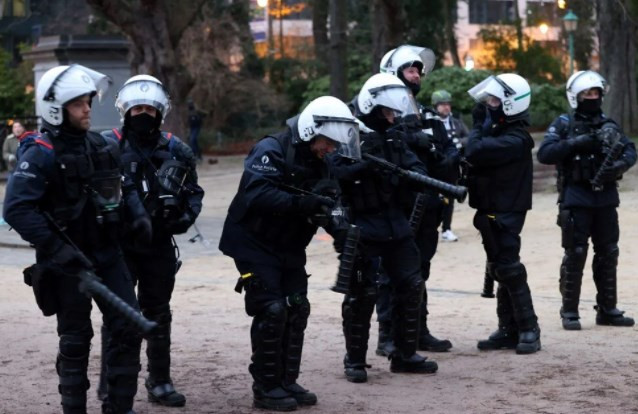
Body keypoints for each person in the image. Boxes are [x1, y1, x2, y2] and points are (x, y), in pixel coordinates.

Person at [3, 64, 149, 414]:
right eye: (79, 103)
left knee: (128, 327)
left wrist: (138, 214)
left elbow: (122, 186)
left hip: (108, 255)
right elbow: (17, 210)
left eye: (88, 101)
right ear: (56, 108)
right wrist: (56, 250)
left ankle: (119, 406)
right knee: (75, 339)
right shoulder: (39, 152)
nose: (87, 108)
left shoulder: (100, 144)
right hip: (66, 263)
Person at [219, 96, 361, 411]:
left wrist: (345, 237)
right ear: (311, 130)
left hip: (290, 245)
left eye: (336, 145)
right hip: (252, 242)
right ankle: (266, 387)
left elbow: (332, 205)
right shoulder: (271, 149)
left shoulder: (324, 162)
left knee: (297, 307)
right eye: (328, 142)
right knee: (271, 309)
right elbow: (257, 193)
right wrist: (302, 204)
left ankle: (286, 380)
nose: (332, 149)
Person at [98, 75, 204, 407]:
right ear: (125, 110)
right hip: (119, 246)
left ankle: (160, 380)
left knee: (158, 312)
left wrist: (184, 218)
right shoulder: (106, 145)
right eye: (137, 108)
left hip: (158, 244)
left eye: (149, 108)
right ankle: (112, 381)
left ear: (159, 111)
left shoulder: (176, 148)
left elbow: (194, 193)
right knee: (120, 314)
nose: (143, 113)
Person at [330, 73, 439, 383]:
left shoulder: (394, 135)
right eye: (388, 111)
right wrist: (367, 165)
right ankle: (355, 361)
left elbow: (414, 164)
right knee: (361, 293)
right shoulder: (349, 133)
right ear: (373, 107)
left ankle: (404, 355)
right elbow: (334, 171)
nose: (393, 117)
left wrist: (409, 173)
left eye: (395, 111)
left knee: (411, 283)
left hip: (396, 223)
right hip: (363, 224)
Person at [537, 70, 636, 330]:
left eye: (595, 93)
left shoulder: (609, 124)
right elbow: (545, 153)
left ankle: (608, 309)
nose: (592, 97)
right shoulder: (563, 124)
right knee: (576, 254)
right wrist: (576, 143)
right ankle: (569, 311)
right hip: (576, 197)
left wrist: (620, 166)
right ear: (575, 97)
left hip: (605, 197)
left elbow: (630, 149)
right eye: (586, 94)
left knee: (608, 253)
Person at [375, 45, 455, 356]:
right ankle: (387, 335)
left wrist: (440, 154)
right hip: (394, 206)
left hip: (427, 205)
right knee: (389, 272)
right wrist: (412, 139)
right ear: (394, 72)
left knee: (420, 270)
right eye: (411, 69)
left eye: (419, 70)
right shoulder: (378, 113)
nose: (417, 75)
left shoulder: (429, 115)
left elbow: (449, 153)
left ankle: (416, 330)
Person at [465, 73, 541, 354]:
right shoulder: (498, 130)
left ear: (511, 104)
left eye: (495, 100)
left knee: (508, 266)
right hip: (491, 207)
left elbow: (474, 149)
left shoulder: (516, 138)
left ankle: (529, 328)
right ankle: (508, 328)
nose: (489, 104)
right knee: (499, 266)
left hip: (507, 209)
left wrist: (474, 126)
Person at [431, 89, 469, 242]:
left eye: (448, 104)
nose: (446, 108)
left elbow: (468, 137)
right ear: (435, 106)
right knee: (435, 199)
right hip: (435, 166)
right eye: (442, 105)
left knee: (450, 197)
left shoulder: (456, 122)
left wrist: (458, 143)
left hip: (452, 166)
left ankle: (447, 229)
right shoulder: (431, 122)